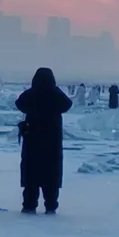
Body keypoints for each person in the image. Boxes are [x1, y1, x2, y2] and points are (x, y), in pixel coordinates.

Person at [15, 67, 73, 214]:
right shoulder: (55, 95)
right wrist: (56, 89)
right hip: (51, 144)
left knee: (31, 177)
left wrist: (33, 91)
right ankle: (51, 205)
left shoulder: (31, 95)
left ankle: (29, 204)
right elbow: (67, 104)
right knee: (51, 177)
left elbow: (19, 103)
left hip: (32, 141)